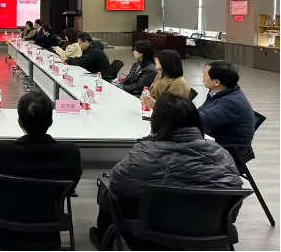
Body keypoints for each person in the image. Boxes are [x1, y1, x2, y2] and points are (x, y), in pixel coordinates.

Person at [89, 93, 243, 250]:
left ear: (157, 121)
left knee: (109, 190)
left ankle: (103, 237)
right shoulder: (221, 154)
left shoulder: (144, 153)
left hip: (153, 237)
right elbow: (233, 203)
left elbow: (118, 182)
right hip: (210, 237)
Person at [0, 92, 82, 249]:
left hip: (0, 230)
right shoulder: (70, 154)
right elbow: (71, 187)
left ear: (19, 122)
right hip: (46, 230)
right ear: (51, 121)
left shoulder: (1, 152)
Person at [198, 60, 255, 148]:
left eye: (205, 74)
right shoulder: (217, 92)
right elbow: (201, 112)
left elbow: (200, 119)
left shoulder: (232, 103)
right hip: (216, 138)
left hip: (229, 149)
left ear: (216, 82)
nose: (203, 76)